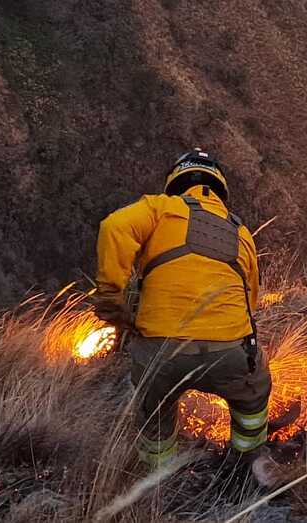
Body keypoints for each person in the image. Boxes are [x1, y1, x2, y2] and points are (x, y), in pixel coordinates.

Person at [94, 148, 271, 467]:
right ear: (220, 189)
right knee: (254, 395)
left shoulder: (159, 208)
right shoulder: (242, 232)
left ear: (176, 183)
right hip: (229, 354)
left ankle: (158, 480)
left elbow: (113, 228)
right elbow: (251, 300)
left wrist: (111, 300)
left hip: (161, 353)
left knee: (155, 413)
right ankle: (246, 463)